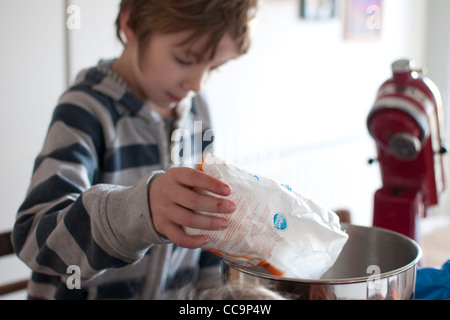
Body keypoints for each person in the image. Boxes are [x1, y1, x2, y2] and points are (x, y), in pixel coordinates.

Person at [12, 0, 258, 300]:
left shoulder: (197, 111)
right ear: (131, 25)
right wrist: (140, 212)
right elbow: (34, 239)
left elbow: (206, 235)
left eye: (214, 68)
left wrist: (217, 296)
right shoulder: (85, 111)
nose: (196, 83)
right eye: (184, 59)